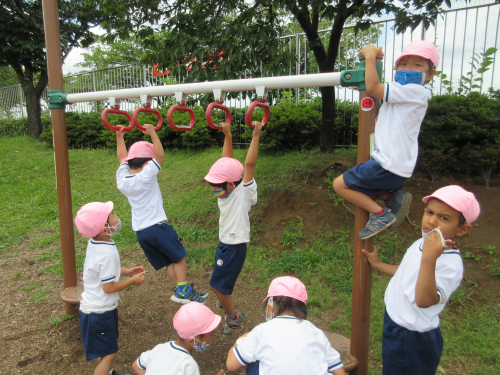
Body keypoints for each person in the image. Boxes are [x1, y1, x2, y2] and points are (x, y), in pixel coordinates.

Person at [362, 185, 480, 375]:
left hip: (412, 337)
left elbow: (424, 300)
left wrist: (429, 258)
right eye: (430, 212)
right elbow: (406, 273)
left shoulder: (450, 264)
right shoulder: (421, 242)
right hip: (395, 324)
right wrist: (377, 264)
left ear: (462, 229)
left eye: (444, 218)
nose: (432, 221)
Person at [333, 40, 440, 239]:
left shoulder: (413, 90)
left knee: (339, 185)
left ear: (430, 74)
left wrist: (370, 55)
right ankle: (392, 198)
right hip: (397, 167)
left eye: (418, 65)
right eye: (403, 64)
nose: (408, 69)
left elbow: (373, 88)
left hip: (386, 164)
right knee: (365, 188)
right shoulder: (412, 95)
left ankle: (381, 214)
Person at [116, 124, 206, 304]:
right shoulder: (146, 176)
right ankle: (183, 290)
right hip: (157, 227)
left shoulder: (123, 180)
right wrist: (152, 134)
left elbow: (121, 158)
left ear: (130, 162)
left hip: (141, 233)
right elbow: (160, 156)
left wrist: (120, 137)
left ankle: (184, 291)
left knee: (169, 262)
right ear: (148, 163)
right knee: (180, 256)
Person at [75, 201, 146, 375]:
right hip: (98, 312)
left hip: (99, 309)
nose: (116, 217)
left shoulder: (96, 243)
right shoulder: (105, 252)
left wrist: (126, 271)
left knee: (106, 348)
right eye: (112, 216)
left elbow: (100, 270)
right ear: (104, 229)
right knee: (110, 352)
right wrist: (132, 281)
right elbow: (108, 287)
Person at [203, 121, 261, 334]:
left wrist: (255, 135)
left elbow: (249, 165)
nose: (213, 188)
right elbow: (226, 161)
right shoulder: (225, 191)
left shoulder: (243, 193)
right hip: (225, 243)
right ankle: (224, 299)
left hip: (234, 246)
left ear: (230, 185)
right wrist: (227, 134)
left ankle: (233, 317)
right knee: (219, 286)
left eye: (216, 185)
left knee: (217, 286)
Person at [226, 276, 345, 375]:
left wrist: (241, 339)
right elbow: (339, 371)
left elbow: (231, 365)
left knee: (251, 362)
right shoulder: (316, 332)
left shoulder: (261, 332)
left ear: (270, 306)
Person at [131, 302, 225, 375]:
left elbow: (136, 365)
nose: (212, 337)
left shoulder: (160, 348)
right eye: (211, 334)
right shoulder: (188, 365)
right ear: (193, 340)